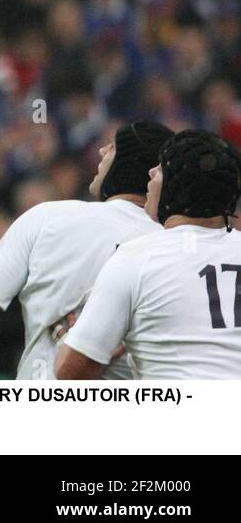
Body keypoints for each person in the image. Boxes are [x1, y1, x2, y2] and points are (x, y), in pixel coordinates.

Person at [0, 121, 170, 380]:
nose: (101, 152)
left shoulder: (46, 218)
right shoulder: (173, 247)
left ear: (128, 163)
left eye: (113, 147)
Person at [57, 130, 241, 379]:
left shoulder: (136, 257)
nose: (151, 173)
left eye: (162, 168)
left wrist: (70, 341)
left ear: (176, 186)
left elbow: (70, 372)